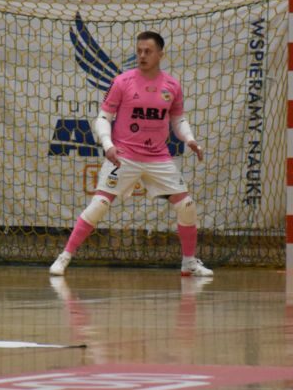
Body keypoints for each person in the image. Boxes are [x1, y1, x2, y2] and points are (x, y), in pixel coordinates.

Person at [49, 31, 213, 278]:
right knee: (99, 204)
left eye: (148, 51)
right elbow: (103, 118)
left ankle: (188, 262)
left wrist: (189, 139)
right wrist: (108, 145)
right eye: (139, 51)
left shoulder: (172, 85)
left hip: (158, 157)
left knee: (186, 205)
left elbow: (178, 119)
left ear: (160, 54)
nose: (142, 55)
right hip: (124, 156)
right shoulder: (122, 82)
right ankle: (64, 257)